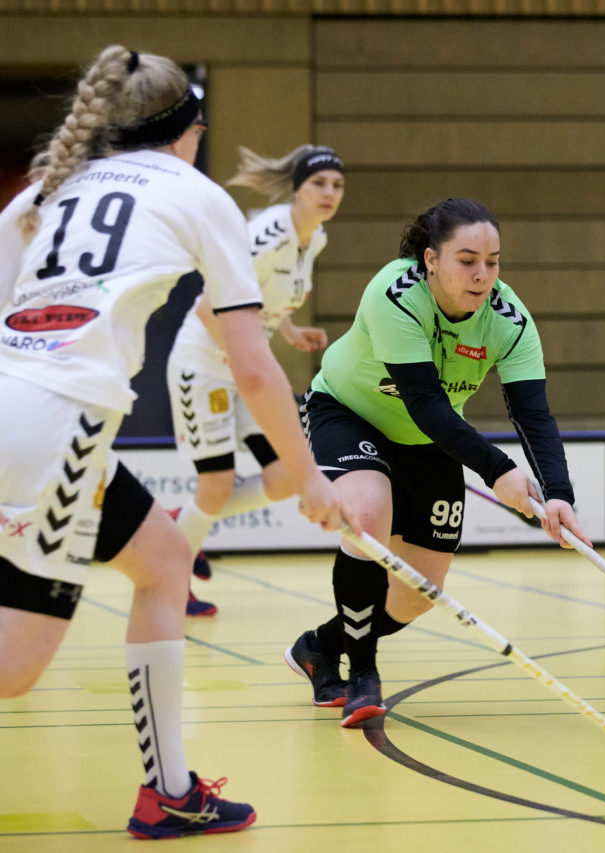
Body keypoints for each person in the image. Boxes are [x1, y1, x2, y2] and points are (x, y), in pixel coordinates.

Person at [0, 46, 352, 838]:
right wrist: (308, 476)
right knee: (14, 668)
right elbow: (253, 367)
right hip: (62, 427)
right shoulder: (198, 196)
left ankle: (170, 789)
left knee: (163, 563)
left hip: (23, 409)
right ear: (189, 130)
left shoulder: (44, 192)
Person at [284, 197, 590, 727]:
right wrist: (498, 470)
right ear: (431, 260)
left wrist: (558, 493)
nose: (482, 275)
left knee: (417, 597)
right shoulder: (395, 294)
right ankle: (362, 676)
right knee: (366, 514)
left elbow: (532, 415)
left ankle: (320, 647)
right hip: (349, 413)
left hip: (429, 440)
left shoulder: (510, 321)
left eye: (492, 262)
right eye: (467, 260)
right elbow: (425, 402)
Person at [166, 144, 345, 616]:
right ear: (297, 189)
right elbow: (208, 307)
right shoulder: (267, 233)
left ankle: (179, 523)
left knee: (286, 475)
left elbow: (263, 297)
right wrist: (241, 356)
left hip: (246, 365)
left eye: (337, 184)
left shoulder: (315, 238)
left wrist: (289, 330)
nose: (329, 192)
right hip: (204, 363)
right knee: (217, 484)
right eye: (319, 183)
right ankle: (170, 582)